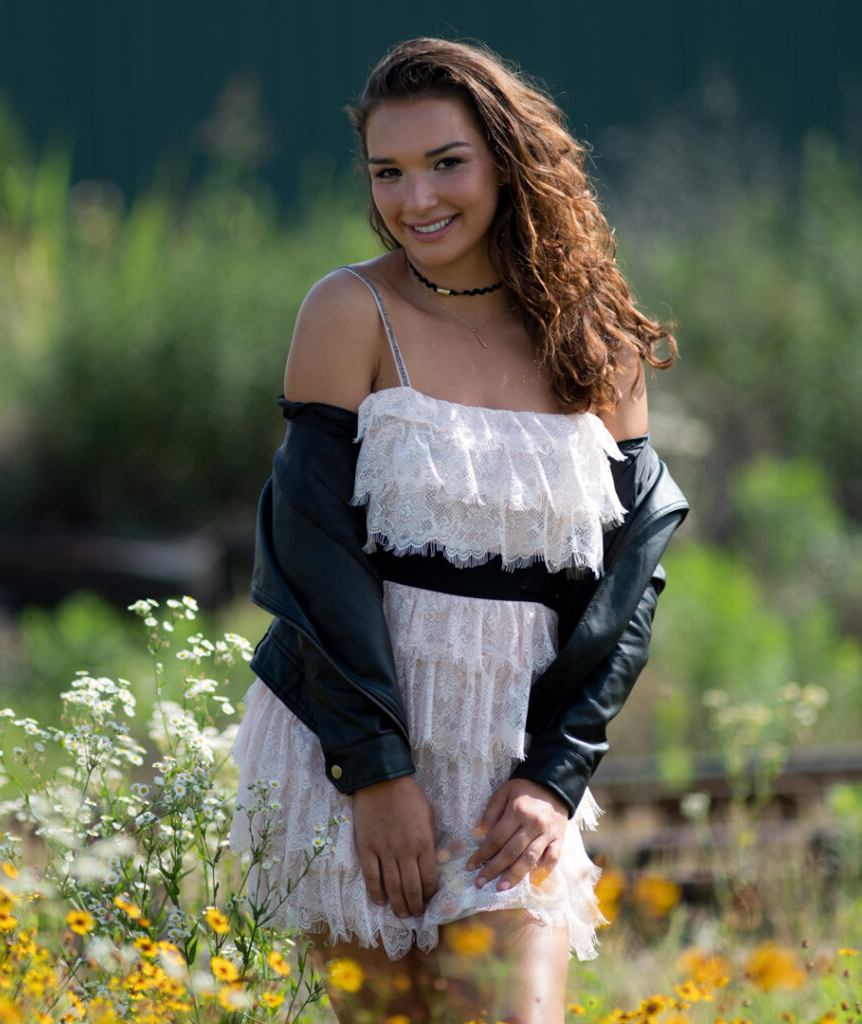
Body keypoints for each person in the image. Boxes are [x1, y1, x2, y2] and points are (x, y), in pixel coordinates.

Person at [229, 37, 687, 1024]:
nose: (416, 199)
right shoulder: (349, 310)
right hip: (345, 748)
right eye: (387, 172)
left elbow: (626, 583)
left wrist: (554, 775)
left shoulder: (594, 335)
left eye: (446, 163)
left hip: (510, 769)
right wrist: (374, 773)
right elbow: (310, 553)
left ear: (508, 163)